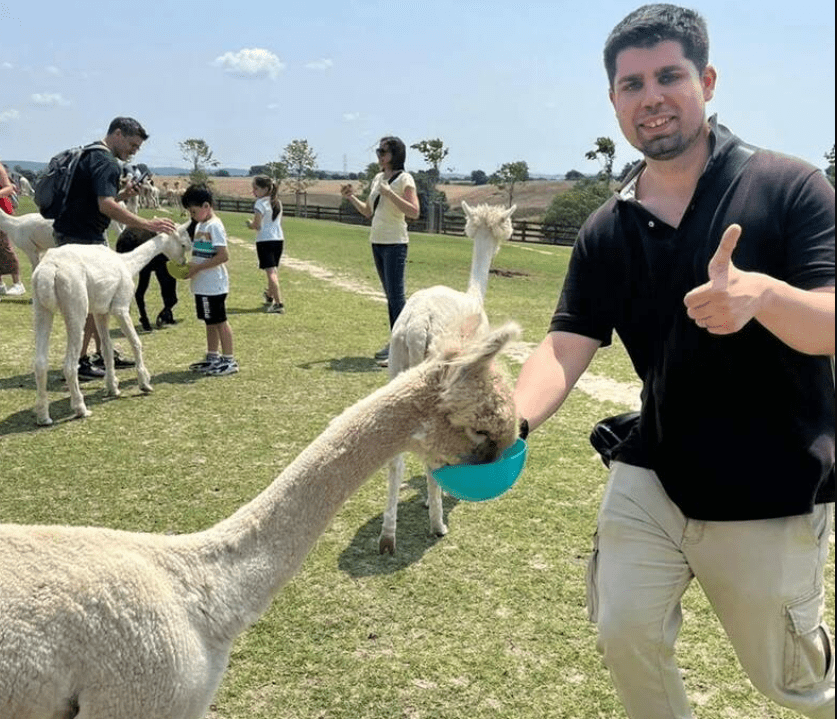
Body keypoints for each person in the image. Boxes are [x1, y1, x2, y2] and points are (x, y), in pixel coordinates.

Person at [513, 5, 834, 718]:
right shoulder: (608, 227)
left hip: (770, 484)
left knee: (791, 682)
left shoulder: (788, 187)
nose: (650, 97)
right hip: (652, 471)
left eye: (668, 76)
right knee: (624, 628)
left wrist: (763, 296)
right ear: (613, 100)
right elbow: (566, 341)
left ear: (706, 82)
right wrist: (512, 420)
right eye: (631, 84)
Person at [51, 116, 176, 378]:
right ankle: (80, 360)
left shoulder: (89, 153)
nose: (134, 151)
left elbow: (96, 199)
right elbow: (105, 205)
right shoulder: (106, 161)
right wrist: (147, 224)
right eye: (132, 145)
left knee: (99, 301)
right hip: (85, 238)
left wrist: (123, 196)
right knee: (92, 301)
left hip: (70, 231)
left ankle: (103, 353)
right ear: (117, 134)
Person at [341, 136, 420, 365]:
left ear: (395, 155)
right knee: (390, 297)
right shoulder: (378, 178)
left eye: (383, 152)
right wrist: (351, 197)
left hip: (395, 243)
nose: (379, 155)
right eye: (378, 151)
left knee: (396, 297)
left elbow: (414, 212)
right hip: (377, 241)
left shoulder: (405, 179)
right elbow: (368, 211)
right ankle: (398, 342)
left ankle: (402, 346)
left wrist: (390, 194)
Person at [181, 185, 238, 376]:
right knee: (209, 321)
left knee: (220, 321)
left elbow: (223, 255)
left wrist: (197, 268)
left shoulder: (214, 225)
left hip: (213, 285)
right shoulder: (200, 225)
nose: (192, 215)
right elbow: (201, 254)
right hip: (202, 285)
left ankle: (229, 360)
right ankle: (213, 356)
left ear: (206, 206)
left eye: (193, 211)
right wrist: (189, 268)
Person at [247, 175, 285, 314]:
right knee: (273, 270)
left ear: (265, 189)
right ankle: (269, 295)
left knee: (271, 273)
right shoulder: (277, 202)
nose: (253, 191)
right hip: (278, 239)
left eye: (256, 188)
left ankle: (278, 304)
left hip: (265, 240)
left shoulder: (260, 203)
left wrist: (250, 224)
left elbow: (257, 225)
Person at [0, 161, 25, 297]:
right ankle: (1, 285)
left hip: (3, 211)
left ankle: (17, 283)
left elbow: (9, 188)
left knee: (5, 246)